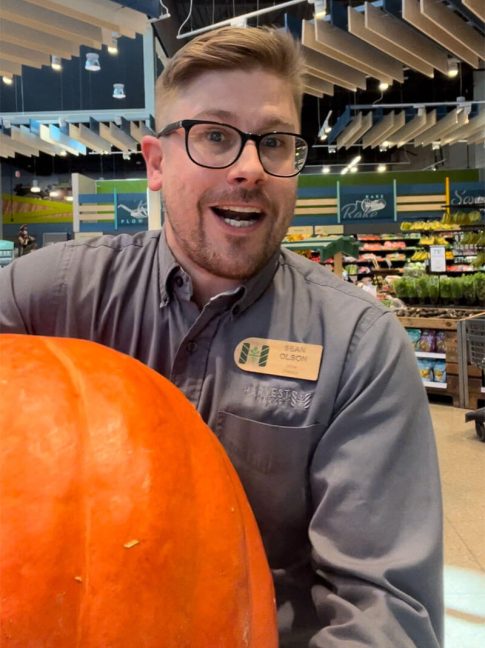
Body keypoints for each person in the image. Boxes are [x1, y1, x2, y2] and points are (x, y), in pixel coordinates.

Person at [0, 27, 443, 647]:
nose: (249, 168)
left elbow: (390, 611)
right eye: (214, 136)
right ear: (156, 163)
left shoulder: (358, 347)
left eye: (276, 143)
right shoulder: (55, 292)